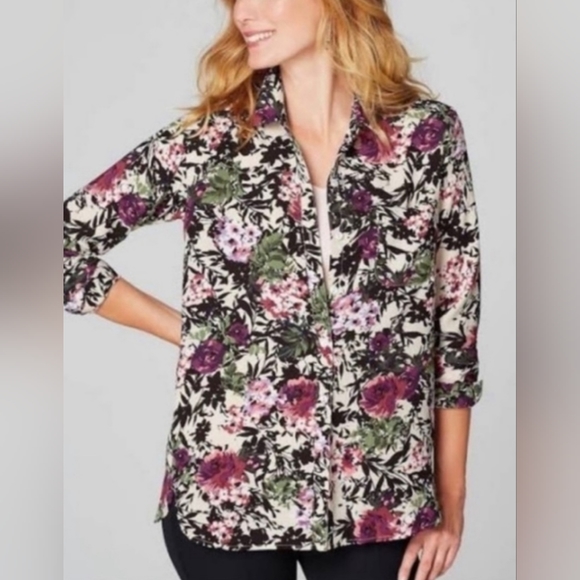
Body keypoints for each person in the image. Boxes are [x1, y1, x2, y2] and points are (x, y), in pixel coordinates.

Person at [63, 1, 484, 579]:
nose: (245, 12)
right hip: (228, 492)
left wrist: (451, 503)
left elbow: (454, 331)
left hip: (380, 497)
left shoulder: (427, 136)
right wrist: (193, 334)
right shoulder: (210, 142)